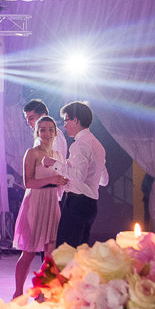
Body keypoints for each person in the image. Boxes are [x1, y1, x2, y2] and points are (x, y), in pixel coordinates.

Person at [13, 116, 69, 297]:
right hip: (35, 203)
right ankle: (18, 293)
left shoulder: (58, 155)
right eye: (43, 129)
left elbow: (61, 180)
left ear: (55, 132)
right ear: (37, 132)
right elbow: (28, 182)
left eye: (50, 129)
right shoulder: (32, 153)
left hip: (52, 203)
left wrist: (62, 181)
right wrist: (52, 179)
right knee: (29, 253)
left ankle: (42, 294)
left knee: (50, 255)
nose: (47, 133)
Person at [47, 101, 107, 249]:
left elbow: (79, 176)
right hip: (91, 204)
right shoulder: (98, 145)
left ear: (75, 120)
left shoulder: (80, 144)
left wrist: (54, 163)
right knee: (80, 252)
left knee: (65, 251)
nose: (65, 125)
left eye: (66, 120)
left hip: (77, 203)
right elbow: (104, 180)